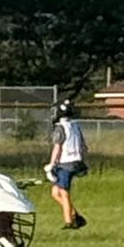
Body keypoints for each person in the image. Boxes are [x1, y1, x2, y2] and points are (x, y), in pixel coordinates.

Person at [46, 99, 89, 231]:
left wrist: (51, 165)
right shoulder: (75, 126)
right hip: (76, 161)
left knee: (64, 193)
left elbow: (57, 147)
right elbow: (84, 146)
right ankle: (75, 215)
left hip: (65, 163)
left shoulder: (60, 128)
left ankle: (69, 222)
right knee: (55, 192)